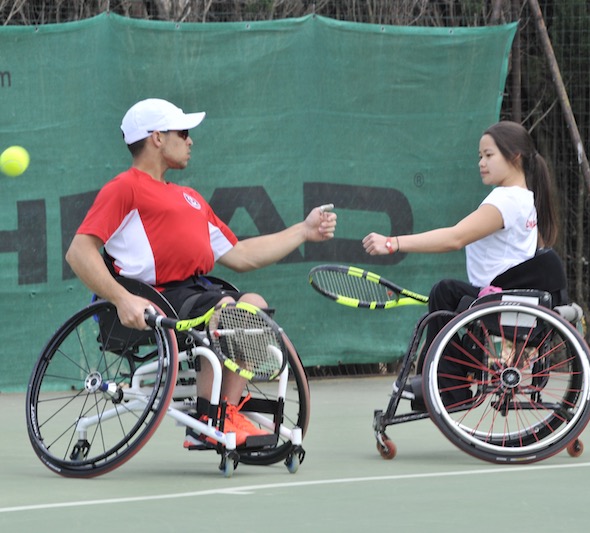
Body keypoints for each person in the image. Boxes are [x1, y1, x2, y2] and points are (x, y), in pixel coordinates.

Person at [65, 98, 337, 447]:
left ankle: (227, 411)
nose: (190, 140)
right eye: (184, 132)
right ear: (157, 138)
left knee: (252, 303)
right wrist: (121, 299)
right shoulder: (125, 188)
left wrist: (303, 231)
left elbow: (241, 255)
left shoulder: (190, 198)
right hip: (152, 304)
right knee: (227, 307)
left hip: (195, 295)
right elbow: (79, 252)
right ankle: (208, 419)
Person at [362, 120, 561, 406]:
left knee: (445, 292)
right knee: (450, 295)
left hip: (501, 301)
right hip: (508, 298)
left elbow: (455, 238)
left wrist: (393, 243)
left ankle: (444, 387)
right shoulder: (524, 199)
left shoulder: (507, 201)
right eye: (480, 156)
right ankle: (446, 384)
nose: (481, 162)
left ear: (514, 156)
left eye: (489, 155)